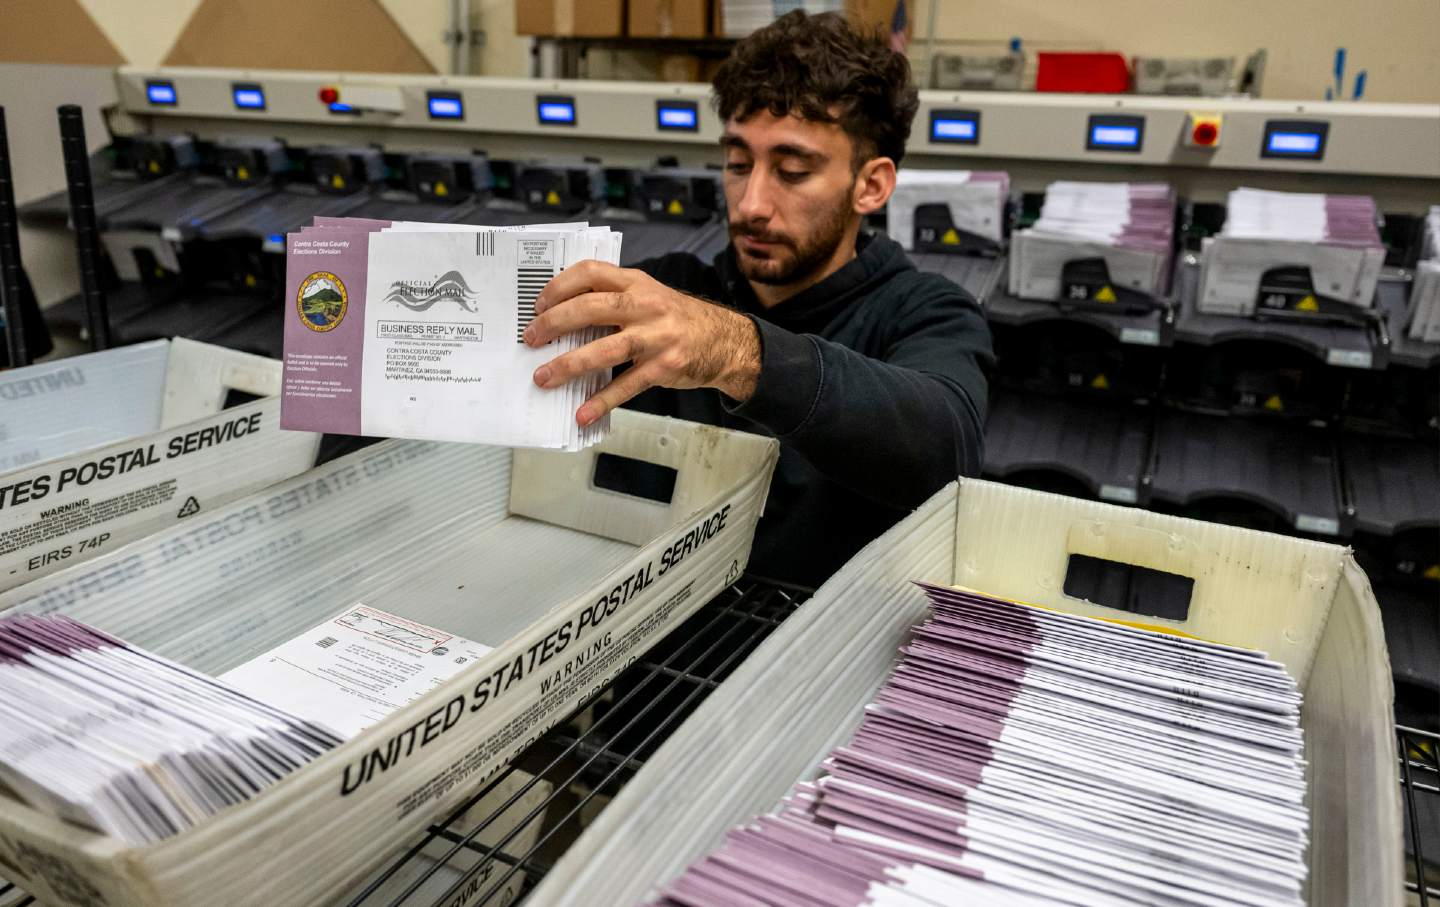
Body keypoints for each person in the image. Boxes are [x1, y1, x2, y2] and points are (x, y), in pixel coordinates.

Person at [523, 10, 993, 588]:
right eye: (738, 164)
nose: (750, 204)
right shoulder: (666, 290)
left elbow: (947, 450)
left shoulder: (923, 310)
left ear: (870, 185)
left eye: (793, 171)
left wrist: (733, 351)